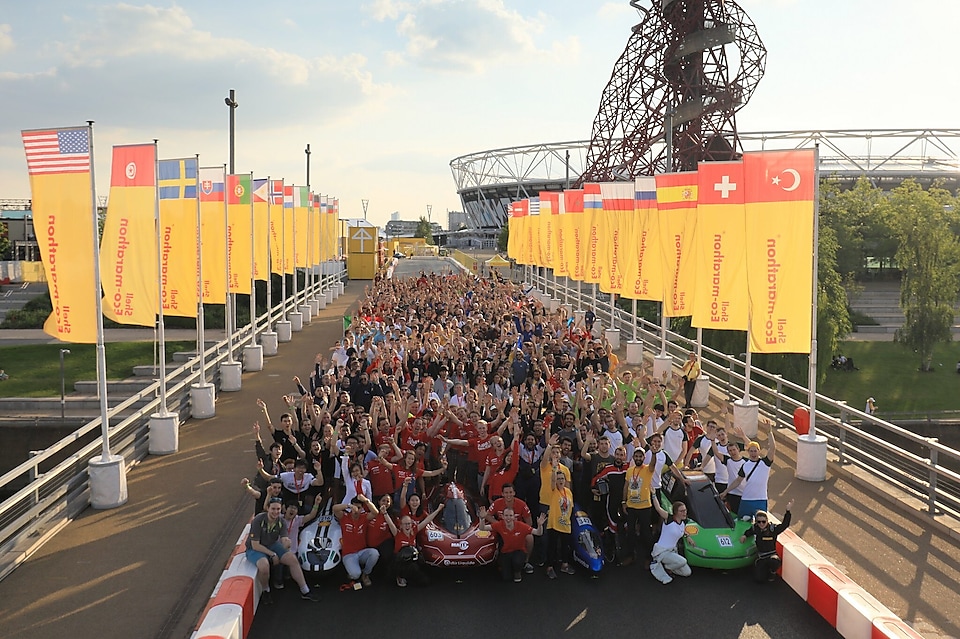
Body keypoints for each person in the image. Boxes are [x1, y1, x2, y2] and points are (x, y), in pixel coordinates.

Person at [245, 497, 321, 603]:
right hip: (255, 548)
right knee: (264, 566)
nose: (275, 512)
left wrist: (287, 542)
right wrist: (273, 554)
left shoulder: (281, 521)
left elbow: (284, 537)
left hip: (272, 544)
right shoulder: (259, 520)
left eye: (278, 509)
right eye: (273, 509)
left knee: (292, 559)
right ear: (268, 508)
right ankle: (266, 590)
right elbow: (255, 545)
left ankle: (305, 590)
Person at [720, 419, 776, 518]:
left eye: (755, 451)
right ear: (748, 452)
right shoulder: (745, 465)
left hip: (760, 499)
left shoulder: (765, 463)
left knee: (761, 523)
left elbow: (772, 448)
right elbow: (737, 481)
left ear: (759, 451)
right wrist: (725, 491)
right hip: (746, 499)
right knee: (742, 521)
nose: (753, 453)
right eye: (751, 451)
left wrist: (769, 432)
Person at [383, 501, 445, 587]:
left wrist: (438, 510)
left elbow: (427, 520)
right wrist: (385, 513)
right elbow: (390, 523)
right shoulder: (397, 533)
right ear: (401, 525)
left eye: (409, 524)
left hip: (411, 562)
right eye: (405, 524)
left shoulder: (414, 531)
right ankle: (399, 576)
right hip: (399, 562)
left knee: (424, 581)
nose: (407, 526)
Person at [478, 505, 547, 582]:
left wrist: (540, 525)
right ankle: (509, 568)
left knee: (517, 562)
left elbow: (538, 533)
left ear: (514, 517)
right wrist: (482, 518)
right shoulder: (499, 525)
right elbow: (482, 528)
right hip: (506, 552)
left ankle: (518, 571)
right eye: (506, 515)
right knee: (506, 578)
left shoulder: (521, 525)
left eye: (510, 515)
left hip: (519, 551)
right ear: (502, 516)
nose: (508, 518)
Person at [333, 494, 381, 587]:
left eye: (358, 508)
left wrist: (366, 500)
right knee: (355, 575)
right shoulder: (344, 517)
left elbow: (375, 512)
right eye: (354, 507)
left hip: (362, 552)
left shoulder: (364, 517)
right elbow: (335, 508)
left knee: (375, 553)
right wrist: (349, 506)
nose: (356, 510)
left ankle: (366, 574)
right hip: (348, 554)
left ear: (362, 509)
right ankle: (354, 571)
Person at [741, 499, 794, 583]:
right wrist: (744, 535)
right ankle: (763, 570)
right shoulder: (755, 528)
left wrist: (788, 511)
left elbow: (785, 525)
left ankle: (772, 572)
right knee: (759, 579)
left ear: (767, 521)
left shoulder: (773, 529)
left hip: (771, 555)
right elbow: (749, 532)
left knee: (775, 561)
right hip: (761, 557)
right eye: (759, 522)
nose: (761, 524)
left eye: (763, 521)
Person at [649, 498, 694, 584]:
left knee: (687, 572)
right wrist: (654, 494)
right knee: (683, 561)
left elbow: (681, 531)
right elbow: (658, 508)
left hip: (673, 551)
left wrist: (687, 536)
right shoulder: (669, 519)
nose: (685, 513)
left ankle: (669, 567)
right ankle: (666, 567)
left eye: (685, 510)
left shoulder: (683, 523)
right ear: (676, 512)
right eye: (682, 511)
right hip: (662, 551)